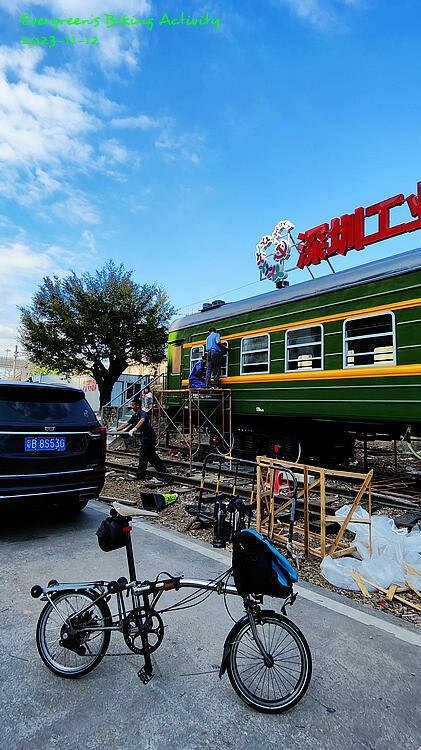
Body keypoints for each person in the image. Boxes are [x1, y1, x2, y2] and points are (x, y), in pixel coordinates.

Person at [117, 397, 168, 481]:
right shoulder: (135, 415)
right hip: (144, 437)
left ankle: (141, 474)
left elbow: (142, 420)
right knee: (151, 455)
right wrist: (117, 429)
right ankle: (162, 471)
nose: (132, 407)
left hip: (149, 436)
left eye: (133, 405)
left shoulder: (143, 413)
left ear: (138, 405)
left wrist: (134, 428)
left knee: (143, 454)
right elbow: (127, 423)